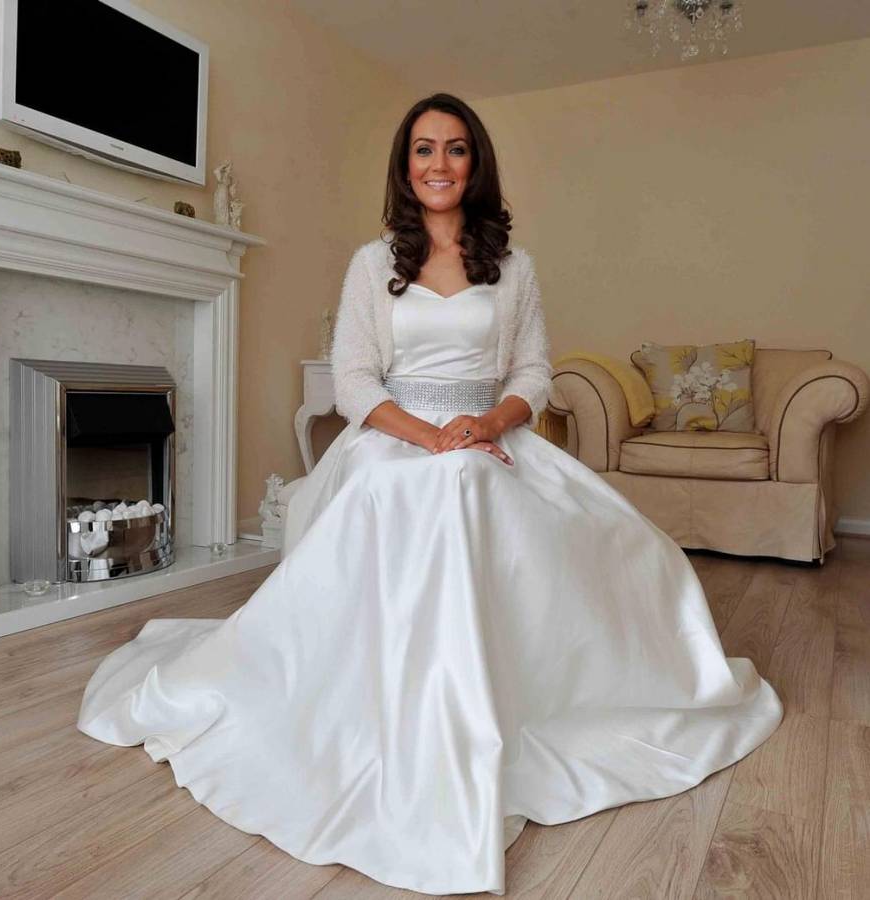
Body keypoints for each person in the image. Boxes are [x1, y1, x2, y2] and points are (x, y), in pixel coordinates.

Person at [78, 93, 782, 897]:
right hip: (397, 436)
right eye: (423, 149)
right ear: (404, 166)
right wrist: (427, 436)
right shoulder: (371, 263)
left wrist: (488, 423)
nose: (438, 164)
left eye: (454, 148)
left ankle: (510, 699)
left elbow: (533, 372)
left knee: (531, 502)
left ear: (475, 164)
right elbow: (353, 379)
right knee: (445, 483)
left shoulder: (514, 267)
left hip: (489, 432)